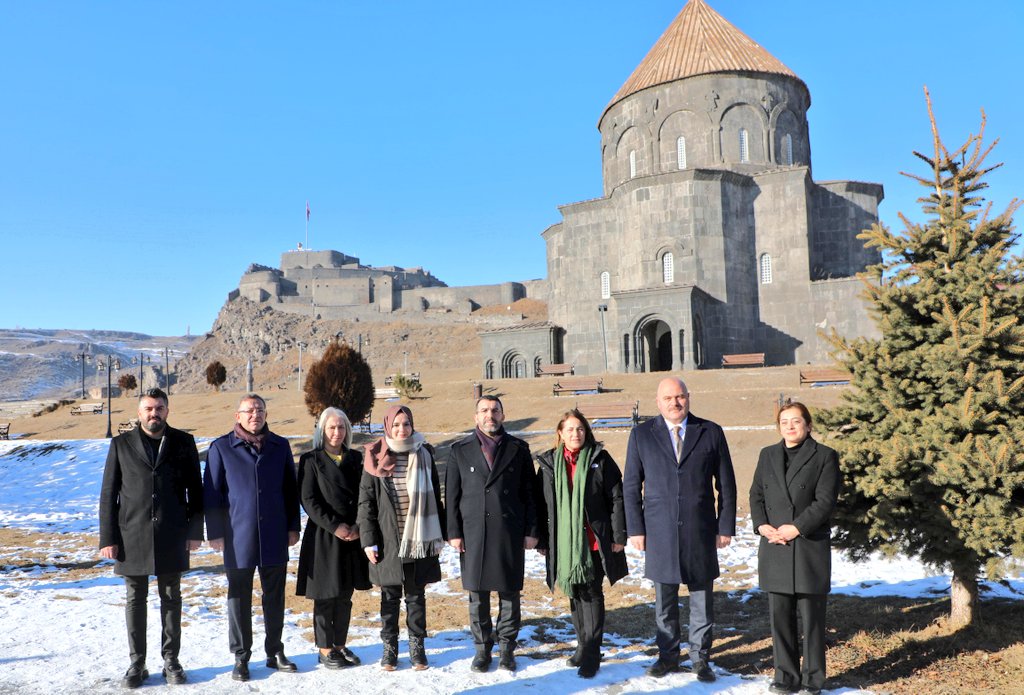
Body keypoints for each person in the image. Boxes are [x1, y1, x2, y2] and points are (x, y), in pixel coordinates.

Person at [623, 376, 737, 682]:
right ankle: (668, 656)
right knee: (665, 601)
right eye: (669, 398)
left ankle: (701, 659)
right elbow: (631, 486)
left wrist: (724, 526)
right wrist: (635, 529)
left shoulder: (710, 432)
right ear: (658, 402)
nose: (675, 403)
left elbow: (725, 484)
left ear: (688, 397)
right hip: (658, 531)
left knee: (701, 599)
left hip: (700, 530)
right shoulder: (641, 435)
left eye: (680, 396)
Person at [99, 387, 204, 689]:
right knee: (135, 599)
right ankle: (137, 662)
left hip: (172, 534)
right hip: (131, 536)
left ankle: (171, 660)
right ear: (139, 412)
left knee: (171, 598)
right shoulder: (121, 444)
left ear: (167, 410)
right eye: (148, 408)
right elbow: (108, 494)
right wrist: (108, 537)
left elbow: (195, 491)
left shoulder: (183, 443)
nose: (153, 413)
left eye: (159, 408)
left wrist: (195, 532)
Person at [204, 393, 301, 682]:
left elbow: (290, 490)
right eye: (248, 410)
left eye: (259, 409)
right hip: (237, 536)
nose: (254, 414)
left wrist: (293, 527)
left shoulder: (280, 447)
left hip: (274, 533)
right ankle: (241, 657)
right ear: (238, 416)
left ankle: (275, 651)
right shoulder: (221, 447)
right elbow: (211, 492)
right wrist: (216, 532)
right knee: (239, 597)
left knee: (275, 595)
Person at [749, 402, 840, 695]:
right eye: (784, 421)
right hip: (774, 545)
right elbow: (756, 495)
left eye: (796, 421)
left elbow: (825, 502)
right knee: (780, 617)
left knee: (812, 619)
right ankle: (785, 677)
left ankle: (813, 679)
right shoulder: (767, 455)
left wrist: (796, 527)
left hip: (808, 545)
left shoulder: (825, 456)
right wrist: (762, 526)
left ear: (808, 426)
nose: (789, 426)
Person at [446, 395, 538, 673]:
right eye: (484, 410)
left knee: (510, 594)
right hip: (473, 532)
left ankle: (507, 649)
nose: (490, 415)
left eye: (495, 410)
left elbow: (530, 495)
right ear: (476, 417)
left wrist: (532, 531)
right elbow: (451, 495)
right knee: (477, 595)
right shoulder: (459, 450)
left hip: (509, 531)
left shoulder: (519, 449)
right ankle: (482, 650)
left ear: (503, 415)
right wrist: (453, 531)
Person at [535, 409, 628, 679]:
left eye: (580, 429)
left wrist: (618, 536)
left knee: (592, 594)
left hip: (595, 541)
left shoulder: (600, 459)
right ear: (560, 433)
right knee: (574, 595)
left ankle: (592, 653)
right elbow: (544, 507)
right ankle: (582, 645)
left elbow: (617, 498)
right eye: (570, 429)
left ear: (586, 432)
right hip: (564, 543)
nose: (576, 434)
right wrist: (543, 539)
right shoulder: (550, 464)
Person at [358, 405, 446, 671]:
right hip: (388, 539)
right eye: (396, 425)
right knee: (390, 595)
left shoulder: (424, 453)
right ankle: (390, 648)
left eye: (406, 424)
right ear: (387, 427)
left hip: (420, 537)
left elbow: (435, 496)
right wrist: (368, 540)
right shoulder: (374, 456)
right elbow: (366, 503)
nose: (401, 429)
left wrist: (438, 535)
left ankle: (417, 647)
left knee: (416, 595)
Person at [296, 407, 371, 670]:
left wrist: (359, 526)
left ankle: (340, 644)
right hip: (325, 536)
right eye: (331, 427)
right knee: (325, 595)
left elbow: (365, 495)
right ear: (322, 430)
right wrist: (336, 526)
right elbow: (309, 500)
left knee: (345, 595)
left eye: (341, 428)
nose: (337, 432)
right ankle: (325, 648)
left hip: (353, 535)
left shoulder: (355, 459)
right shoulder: (310, 460)